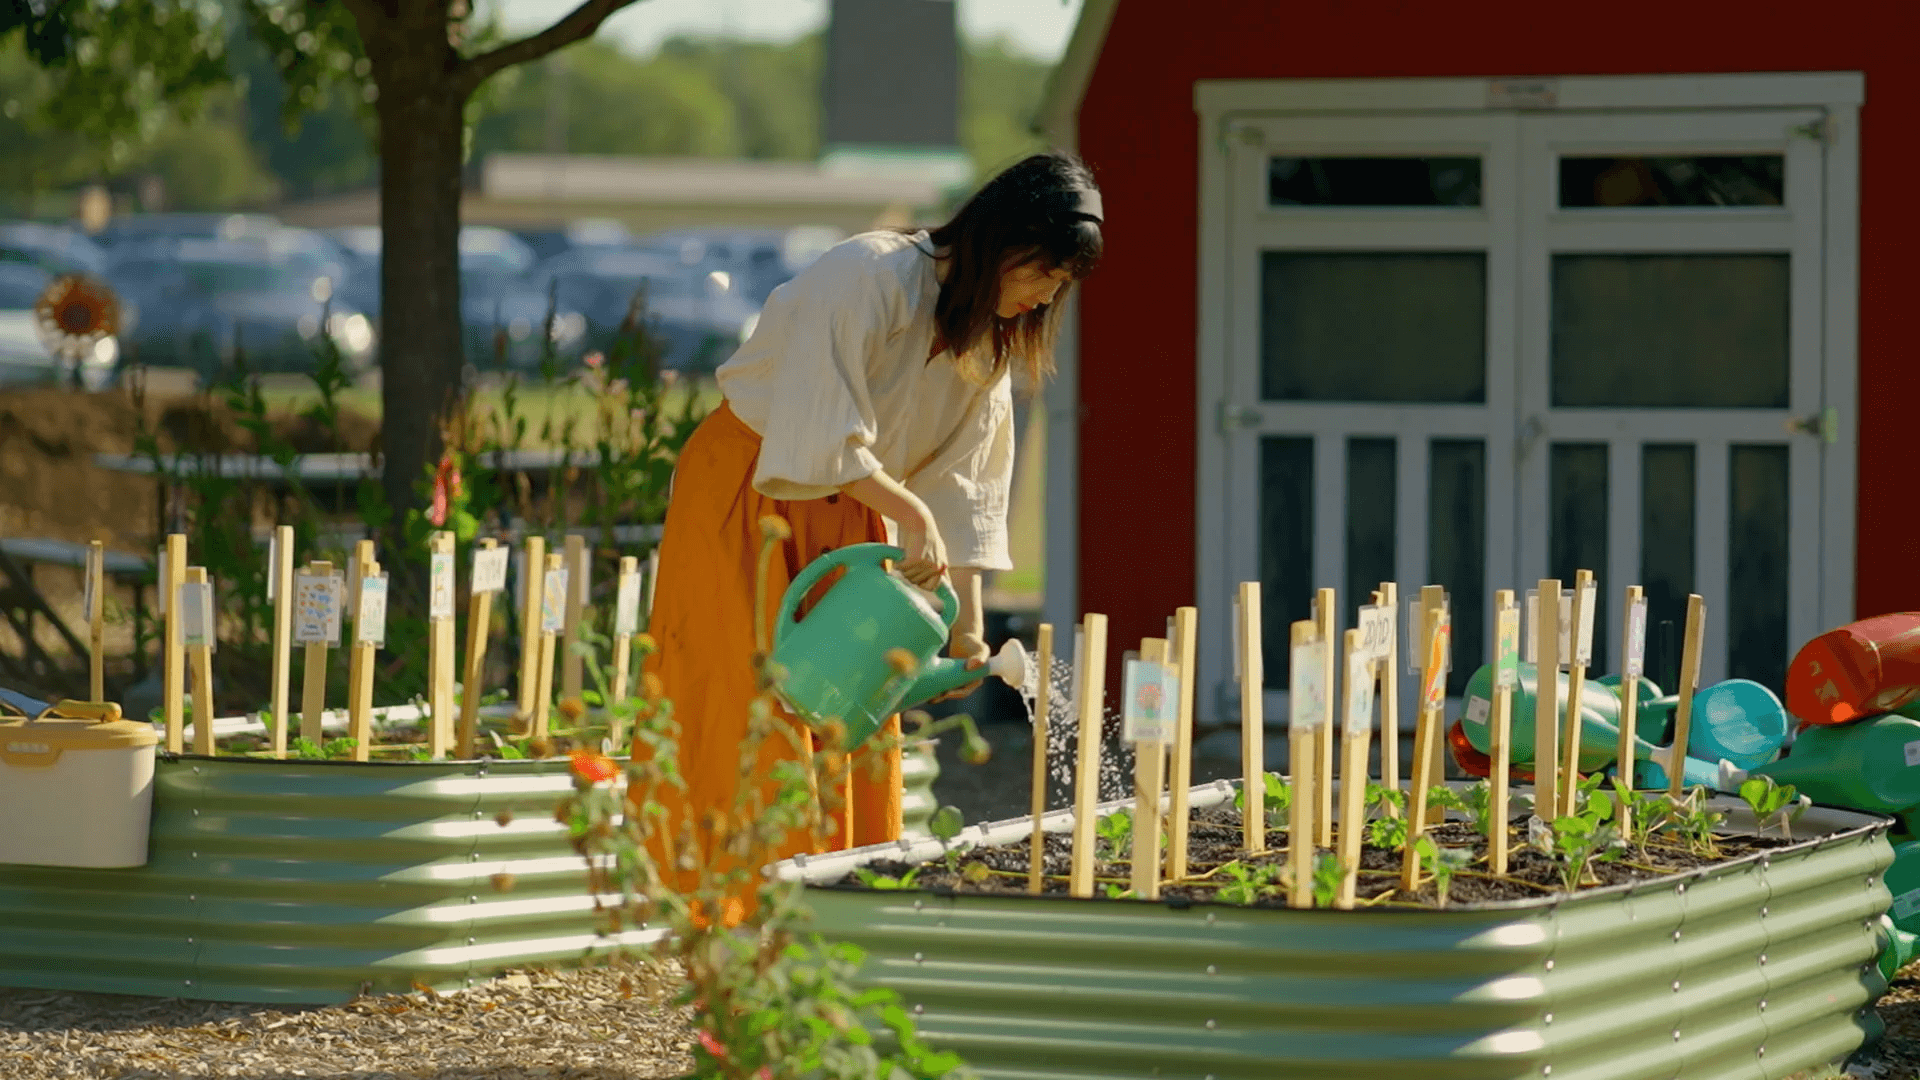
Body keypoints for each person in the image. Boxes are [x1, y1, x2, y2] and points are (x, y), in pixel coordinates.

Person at [638, 150, 1104, 914]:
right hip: (748, 484)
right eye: (1044, 274)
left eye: (1060, 287)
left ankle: (827, 900)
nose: (1047, 297)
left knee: (850, 704)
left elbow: (966, 489)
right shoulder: (869, 274)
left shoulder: (984, 344)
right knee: (747, 695)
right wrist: (910, 514)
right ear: (1003, 242)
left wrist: (969, 628)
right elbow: (815, 428)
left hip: (853, 509)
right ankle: (724, 905)